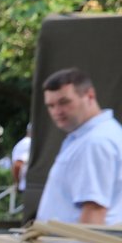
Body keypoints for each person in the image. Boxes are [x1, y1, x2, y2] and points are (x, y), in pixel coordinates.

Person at [35, 67, 122, 225]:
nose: (57, 111)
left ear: (90, 95)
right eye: (51, 105)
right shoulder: (98, 135)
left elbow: (94, 212)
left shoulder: (96, 142)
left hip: (77, 241)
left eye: (64, 102)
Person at [9, 124, 31, 192]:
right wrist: (17, 183)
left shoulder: (25, 143)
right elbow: (17, 165)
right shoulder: (26, 144)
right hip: (28, 186)